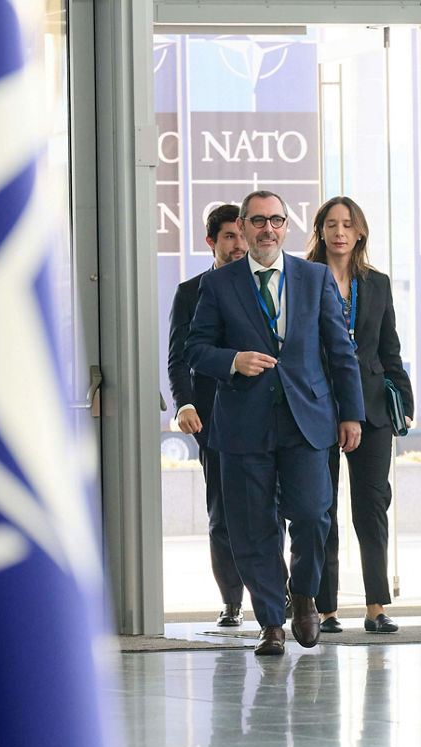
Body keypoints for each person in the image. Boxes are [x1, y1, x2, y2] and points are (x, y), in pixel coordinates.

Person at [186, 190, 365, 656]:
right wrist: (232, 360)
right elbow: (194, 351)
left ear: (288, 228)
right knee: (252, 526)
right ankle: (270, 620)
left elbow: (340, 351)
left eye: (277, 221)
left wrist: (351, 413)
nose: (268, 229)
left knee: (311, 514)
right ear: (242, 228)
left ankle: (303, 595)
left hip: (308, 418)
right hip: (243, 424)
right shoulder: (220, 285)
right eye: (259, 221)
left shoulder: (314, 277)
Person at [304, 197, 414, 635]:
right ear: (320, 231)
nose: (339, 232)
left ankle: (375, 605)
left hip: (371, 408)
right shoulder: (305, 279)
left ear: (360, 232)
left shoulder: (378, 283)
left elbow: (390, 348)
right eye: (331, 224)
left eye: (347, 224)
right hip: (316, 405)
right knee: (320, 506)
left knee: (372, 507)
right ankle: (326, 609)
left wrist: (402, 399)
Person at [168, 203, 247, 627]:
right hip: (212, 416)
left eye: (241, 235)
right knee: (221, 510)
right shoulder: (191, 291)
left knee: (270, 508)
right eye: (229, 236)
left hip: (261, 412)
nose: (238, 244)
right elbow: (178, 358)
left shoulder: (265, 286)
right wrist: (185, 403)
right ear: (211, 242)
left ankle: (281, 594)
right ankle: (231, 601)